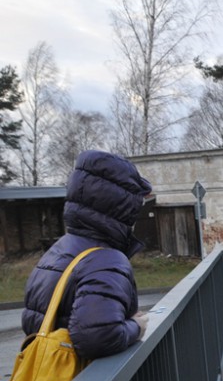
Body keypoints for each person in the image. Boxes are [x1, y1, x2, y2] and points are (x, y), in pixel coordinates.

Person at [21, 150, 151, 360]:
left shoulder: (59, 250)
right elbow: (97, 337)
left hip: (49, 376)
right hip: (86, 378)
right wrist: (136, 326)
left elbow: (32, 321)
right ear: (124, 206)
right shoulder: (106, 259)